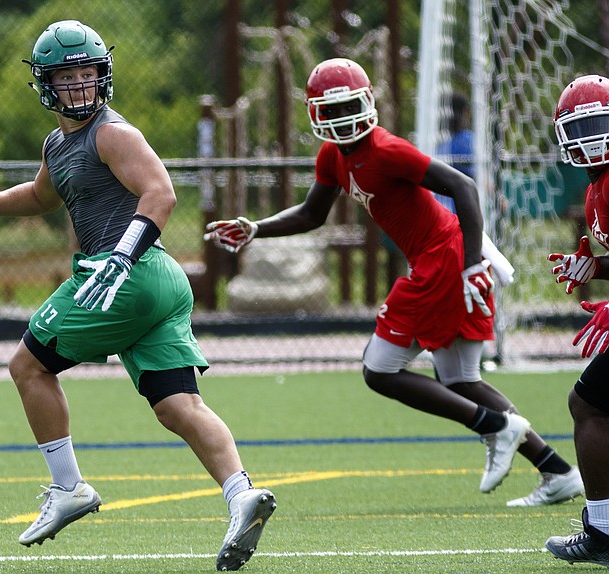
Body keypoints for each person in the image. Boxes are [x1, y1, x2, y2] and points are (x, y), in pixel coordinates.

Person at [0, 20, 275, 572]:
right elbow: (42, 195)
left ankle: (69, 488)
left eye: (89, 73)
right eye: (69, 76)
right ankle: (241, 495)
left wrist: (121, 257)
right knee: (178, 405)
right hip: (156, 284)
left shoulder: (113, 133)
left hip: (128, 273)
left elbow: (160, 191)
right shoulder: (58, 143)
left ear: (103, 76)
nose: (81, 86)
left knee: (27, 367)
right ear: (46, 84)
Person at [205, 57, 582, 506]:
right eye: (333, 111)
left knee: (380, 369)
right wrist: (257, 228)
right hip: (441, 256)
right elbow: (311, 214)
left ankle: (496, 425)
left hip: (442, 259)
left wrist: (468, 264)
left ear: (367, 104)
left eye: (350, 107)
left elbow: (464, 186)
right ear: (316, 115)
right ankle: (556, 470)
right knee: (461, 380)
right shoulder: (333, 156)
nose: (345, 120)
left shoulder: (385, 149)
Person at [544, 74, 609, 566]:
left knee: (588, 405)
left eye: (599, 123)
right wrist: (593, 266)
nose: (590, 137)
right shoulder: (595, 189)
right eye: (580, 126)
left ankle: (603, 530)